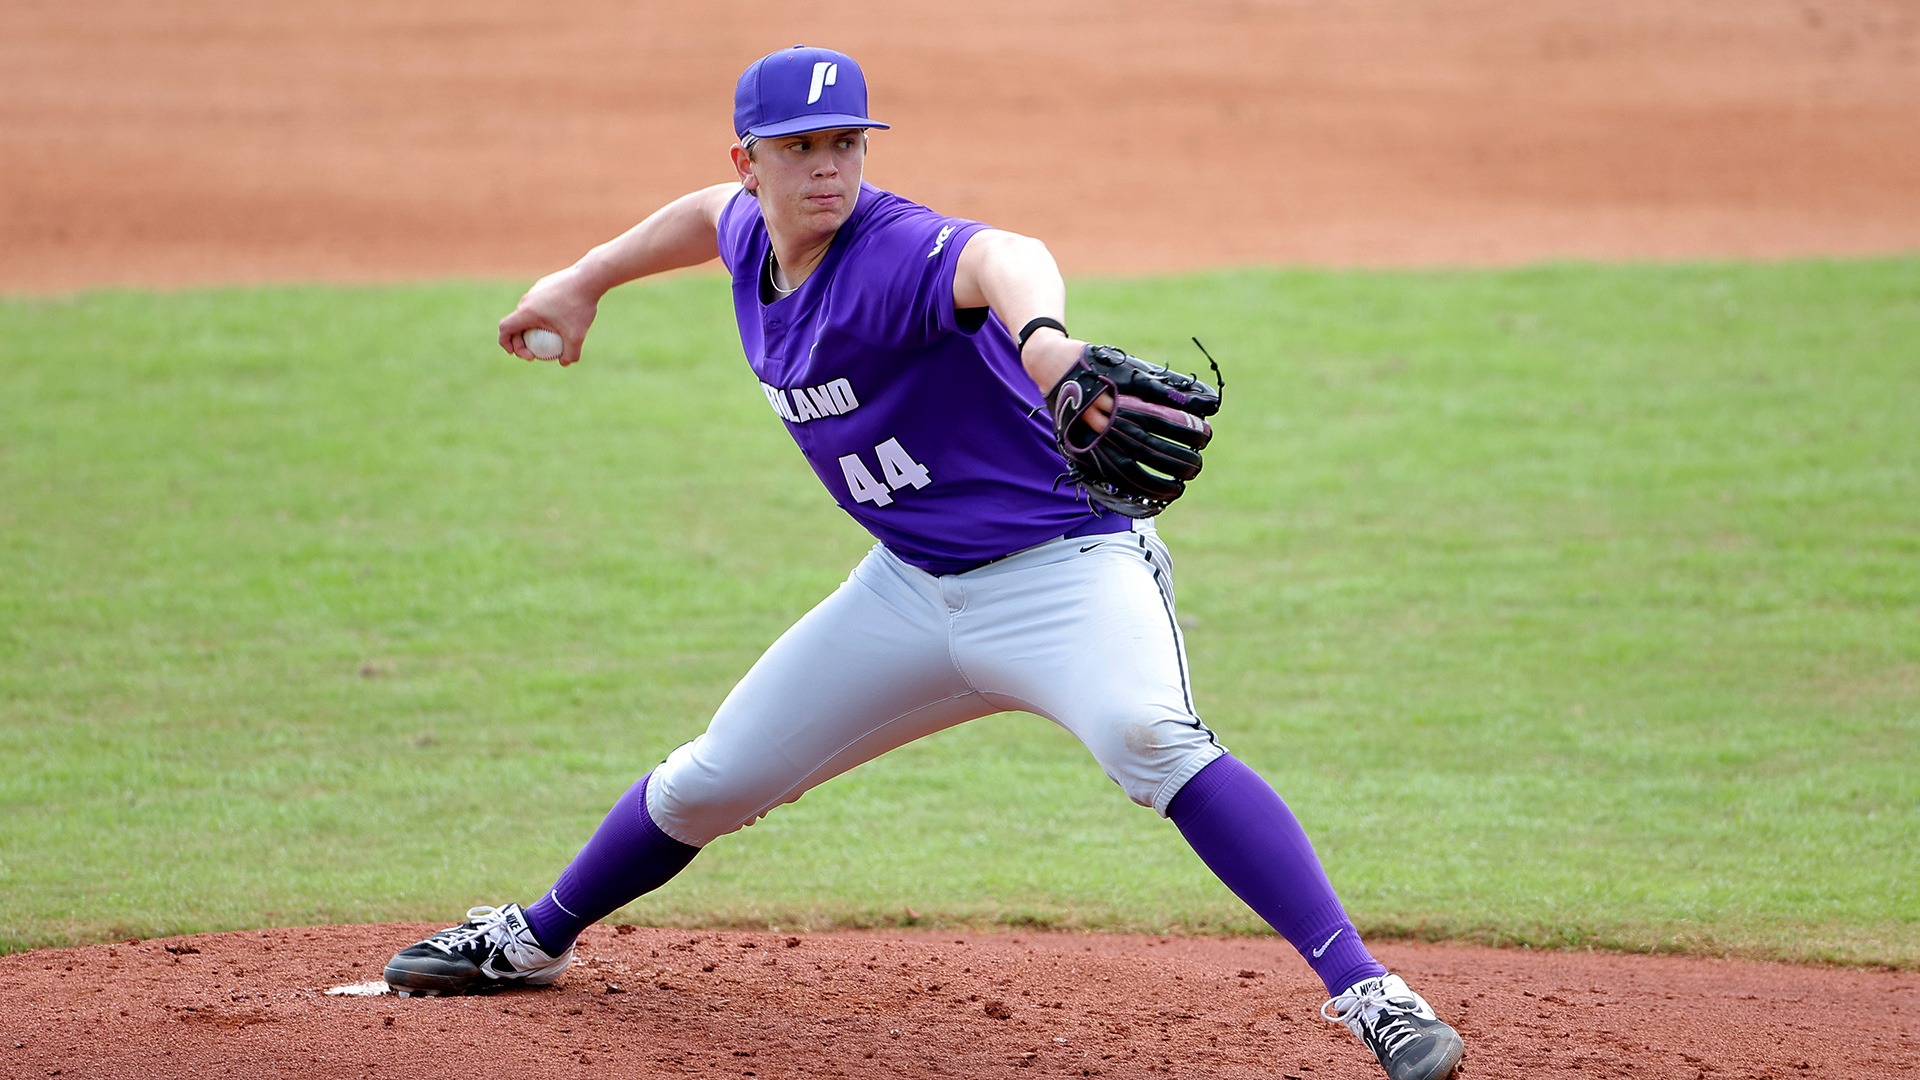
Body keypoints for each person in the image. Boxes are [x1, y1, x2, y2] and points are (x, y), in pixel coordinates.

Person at [381, 45, 1464, 1080]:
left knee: (1152, 739)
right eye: (799, 147)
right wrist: (584, 279)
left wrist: (1044, 340)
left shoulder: (895, 253)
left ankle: (1372, 993)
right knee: (715, 777)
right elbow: (703, 217)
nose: (828, 168)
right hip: (905, 589)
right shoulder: (751, 233)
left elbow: (1003, 254)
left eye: (846, 143)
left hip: (1064, 573)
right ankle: (534, 938)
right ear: (749, 160)